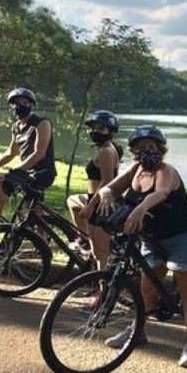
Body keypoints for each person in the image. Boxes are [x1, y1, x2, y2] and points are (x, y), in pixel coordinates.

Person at [95, 124, 187, 368]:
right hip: (153, 238)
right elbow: (110, 186)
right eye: (141, 148)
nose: (147, 152)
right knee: (146, 287)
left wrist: (142, 207)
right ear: (134, 151)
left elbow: (161, 192)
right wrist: (105, 194)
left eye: (152, 147)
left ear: (160, 149)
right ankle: (138, 331)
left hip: (184, 235)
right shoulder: (135, 169)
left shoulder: (166, 170)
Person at [0, 88, 57, 229]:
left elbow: (40, 153)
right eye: (15, 103)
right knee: (35, 210)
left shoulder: (42, 123)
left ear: (31, 105)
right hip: (28, 172)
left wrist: (17, 170)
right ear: (11, 106)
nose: (19, 106)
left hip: (44, 171)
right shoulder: (16, 127)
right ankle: (41, 246)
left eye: (24, 102)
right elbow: (11, 152)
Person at [69, 110, 121, 269]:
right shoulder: (106, 148)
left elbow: (107, 181)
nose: (96, 132)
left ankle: (103, 290)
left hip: (101, 205)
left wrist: (90, 207)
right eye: (94, 128)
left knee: (100, 256)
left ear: (111, 132)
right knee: (72, 201)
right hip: (94, 198)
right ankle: (83, 238)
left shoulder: (106, 151)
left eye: (101, 129)